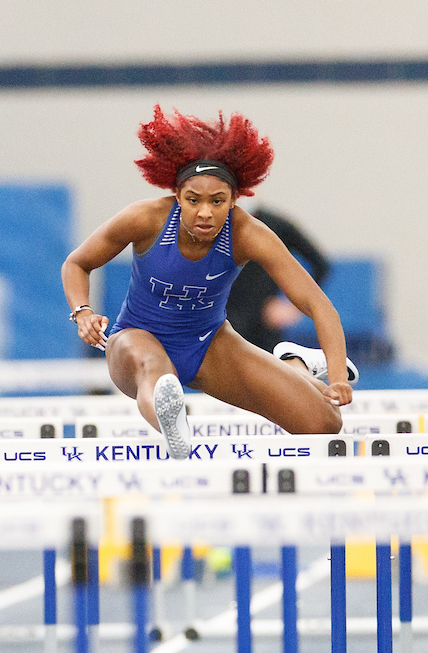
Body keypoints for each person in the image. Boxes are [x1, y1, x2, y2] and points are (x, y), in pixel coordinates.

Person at [61, 106, 357, 460]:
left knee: (325, 423)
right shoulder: (145, 219)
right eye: (193, 200)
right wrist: (82, 312)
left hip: (209, 344)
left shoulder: (248, 233)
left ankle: (294, 364)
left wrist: (338, 376)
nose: (205, 212)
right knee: (155, 371)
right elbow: (77, 263)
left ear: (234, 199)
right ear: (176, 195)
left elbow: (317, 305)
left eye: (217, 201)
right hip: (135, 339)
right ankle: (175, 426)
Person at [226, 207, 330, 353]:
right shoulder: (214, 228)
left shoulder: (274, 225)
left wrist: (295, 307)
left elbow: (320, 265)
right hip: (223, 323)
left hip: (263, 328)